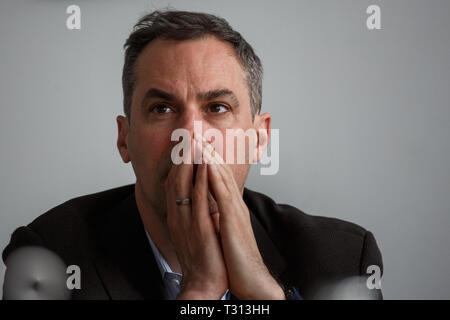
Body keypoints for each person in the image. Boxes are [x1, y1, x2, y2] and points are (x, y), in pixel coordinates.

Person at [2, 10, 383, 300]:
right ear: (124, 139)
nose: (191, 136)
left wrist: (265, 295)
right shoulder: (49, 255)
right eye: (162, 109)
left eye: (217, 107)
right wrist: (200, 292)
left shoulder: (342, 260)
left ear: (259, 138)